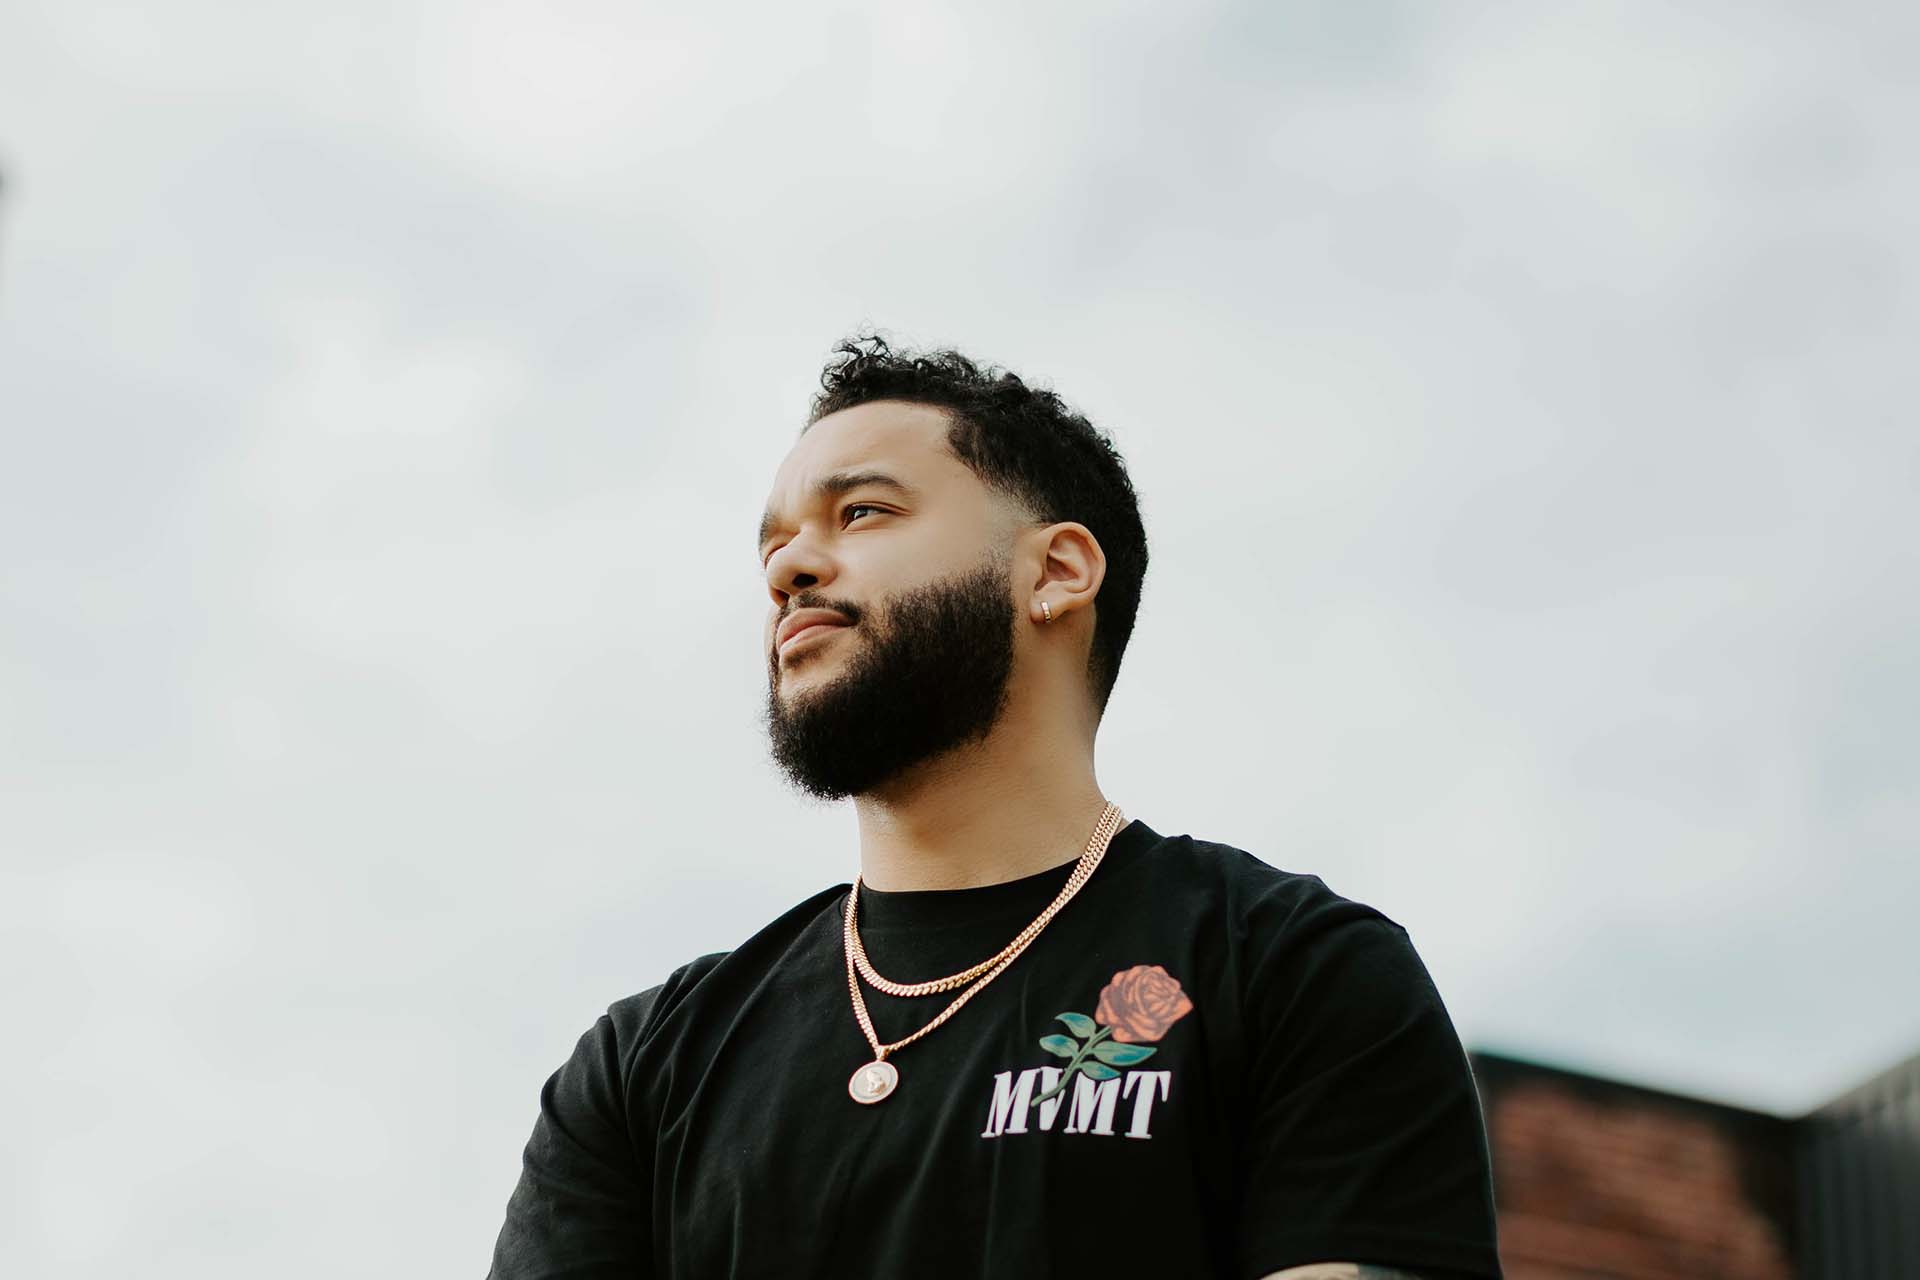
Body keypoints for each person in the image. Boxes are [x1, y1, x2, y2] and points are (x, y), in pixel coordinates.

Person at [486, 335, 1503, 1279]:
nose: (790, 569)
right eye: (774, 550)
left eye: (863, 513)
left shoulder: (1294, 971)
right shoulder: (642, 1065)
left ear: (1057, 571)